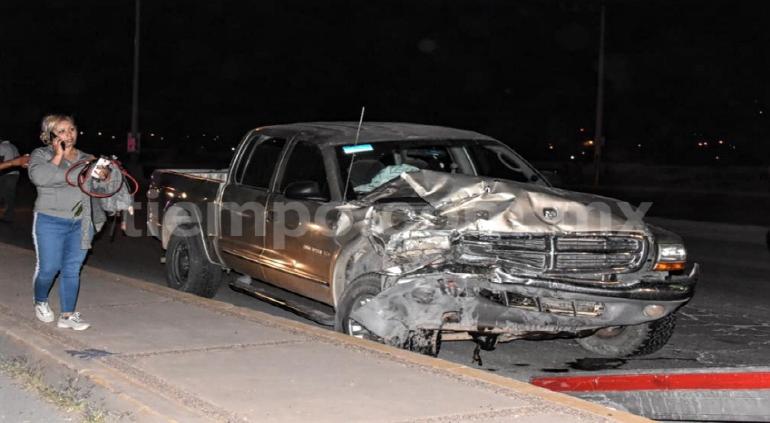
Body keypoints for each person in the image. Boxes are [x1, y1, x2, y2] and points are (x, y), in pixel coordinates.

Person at [27, 114, 109, 330]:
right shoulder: (40, 155)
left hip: (81, 222)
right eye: (62, 131)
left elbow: (99, 189)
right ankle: (40, 300)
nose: (69, 135)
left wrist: (105, 175)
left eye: (71, 129)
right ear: (50, 135)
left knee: (72, 269)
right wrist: (58, 155)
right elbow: (41, 178)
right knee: (49, 268)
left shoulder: (87, 158)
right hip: (49, 220)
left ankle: (67, 314)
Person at [0, 139, 22, 221]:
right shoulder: (14, 147)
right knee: (10, 196)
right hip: (15, 173)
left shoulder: (2, 146)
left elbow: (1, 160)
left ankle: (7, 215)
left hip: (5, 174)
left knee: (3, 194)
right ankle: (8, 216)